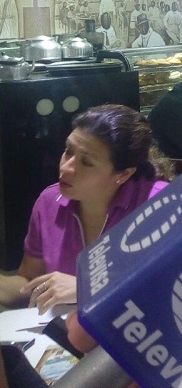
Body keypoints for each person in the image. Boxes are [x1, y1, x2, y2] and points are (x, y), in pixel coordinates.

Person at [0, 105, 171, 314]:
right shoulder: (49, 201)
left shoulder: (159, 204)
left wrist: (88, 289)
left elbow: (169, 291)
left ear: (123, 174)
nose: (65, 167)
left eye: (86, 162)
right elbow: (31, 282)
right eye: (68, 151)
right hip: (68, 328)